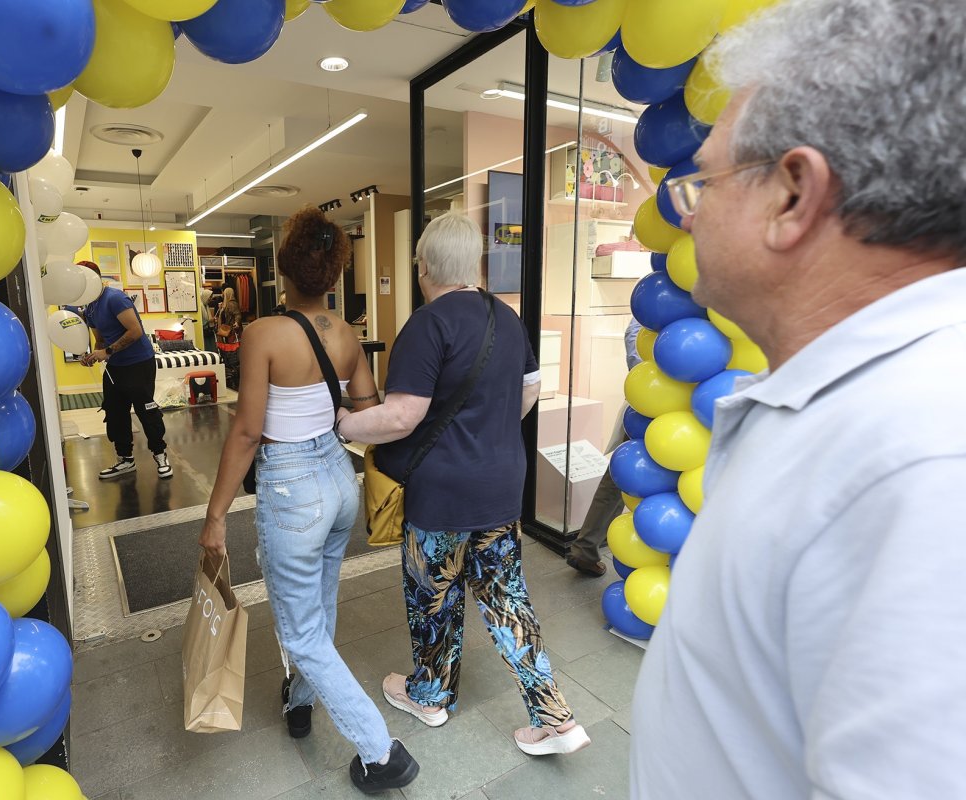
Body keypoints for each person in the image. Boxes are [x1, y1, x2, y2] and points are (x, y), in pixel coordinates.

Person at [630, 1, 966, 797]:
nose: (692, 210)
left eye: (704, 180)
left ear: (791, 196)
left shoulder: (927, 465)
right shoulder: (851, 403)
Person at [336, 213, 590, 757]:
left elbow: (402, 416)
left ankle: (431, 695)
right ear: (474, 263)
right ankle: (556, 718)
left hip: (441, 493)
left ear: (424, 266)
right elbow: (528, 392)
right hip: (501, 485)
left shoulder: (427, 325)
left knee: (433, 596)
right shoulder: (507, 317)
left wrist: (346, 424)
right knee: (506, 599)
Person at [198, 207, 419, 794]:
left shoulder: (262, 334)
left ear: (284, 267)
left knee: (301, 630)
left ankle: (380, 751)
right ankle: (300, 699)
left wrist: (215, 512)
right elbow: (368, 412)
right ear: (334, 271)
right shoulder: (345, 333)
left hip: (292, 491)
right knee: (316, 607)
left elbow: (247, 432)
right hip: (338, 481)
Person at [75, 261, 171, 480]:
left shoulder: (114, 298)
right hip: (116, 366)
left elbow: (136, 331)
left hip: (139, 362)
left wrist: (107, 351)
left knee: (146, 411)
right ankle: (125, 460)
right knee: (115, 412)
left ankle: (160, 454)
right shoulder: (89, 306)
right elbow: (100, 339)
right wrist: (92, 354)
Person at [566, 318, 642, 577]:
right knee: (620, 476)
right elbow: (635, 351)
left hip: (657, 407)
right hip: (653, 407)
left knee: (618, 478)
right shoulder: (665, 298)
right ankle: (586, 548)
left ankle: (586, 548)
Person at [214, 286, 242, 391]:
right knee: (227, 354)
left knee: (232, 354)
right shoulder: (225, 304)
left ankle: (233, 376)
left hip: (230, 333)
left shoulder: (232, 303)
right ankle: (230, 375)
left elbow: (237, 315)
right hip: (226, 333)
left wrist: (236, 323)